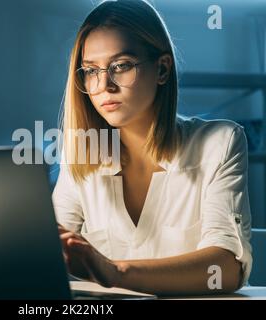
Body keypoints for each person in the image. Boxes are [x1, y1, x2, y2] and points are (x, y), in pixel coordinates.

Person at [52, 0, 252, 295]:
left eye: (121, 66)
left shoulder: (219, 142)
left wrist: (113, 271)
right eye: (91, 70)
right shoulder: (81, 153)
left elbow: (225, 268)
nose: (104, 85)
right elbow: (51, 254)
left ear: (162, 69)